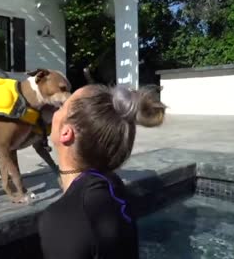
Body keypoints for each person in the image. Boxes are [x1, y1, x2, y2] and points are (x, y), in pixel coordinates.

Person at [38, 84, 166, 259]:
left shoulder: (64, 218)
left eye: (62, 106)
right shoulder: (111, 186)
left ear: (66, 133)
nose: (55, 111)